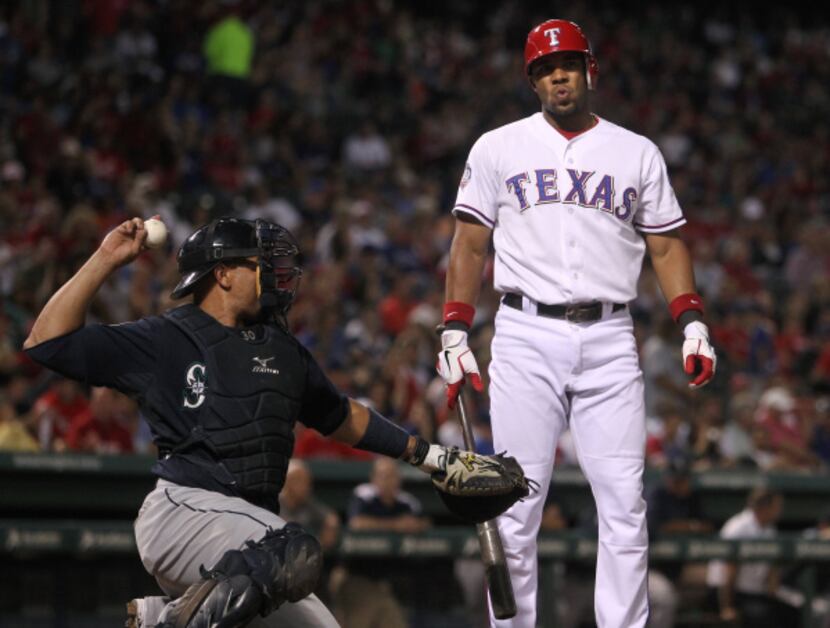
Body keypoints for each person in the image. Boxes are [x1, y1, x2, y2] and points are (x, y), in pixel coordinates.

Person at [23, 216, 511, 628]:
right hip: (184, 511)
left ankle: (169, 615)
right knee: (294, 549)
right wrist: (106, 258)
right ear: (223, 274)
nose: (277, 274)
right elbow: (46, 342)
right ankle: (165, 620)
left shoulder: (280, 347)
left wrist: (429, 456)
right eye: (259, 264)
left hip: (252, 546)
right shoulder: (166, 337)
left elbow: (341, 416)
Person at [436, 19, 717, 628]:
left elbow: (666, 247)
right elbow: (468, 243)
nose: (555, 75)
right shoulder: (497, 146)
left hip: (611, 336)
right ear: (531, 80)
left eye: (565, 64)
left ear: (590, 70)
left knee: (624, 504)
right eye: (543, 68)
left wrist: (691, 319)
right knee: (514, 502)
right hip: (524, 333)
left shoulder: (635, 150)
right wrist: (454, 328)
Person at [334, 457, 429, 628]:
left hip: (390, 581)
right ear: (374, 478)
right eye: (384, 476)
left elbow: (423, 523)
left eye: (392, 476)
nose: (388, 481)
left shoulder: (406, 501)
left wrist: (414, 525)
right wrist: (395, 525)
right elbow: (357, 523)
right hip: (357, 576)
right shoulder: (364, 495)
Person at [705, 487, 799, 627]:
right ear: (764, 507)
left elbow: (772, 570)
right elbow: (729, 572)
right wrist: (726, 608)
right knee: (762, 616)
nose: (779, 511)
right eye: (777, 506)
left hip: (752, 593)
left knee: (791, 611)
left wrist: (774, 594)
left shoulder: (769, 529)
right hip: (725, 593)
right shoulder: (739, 528)